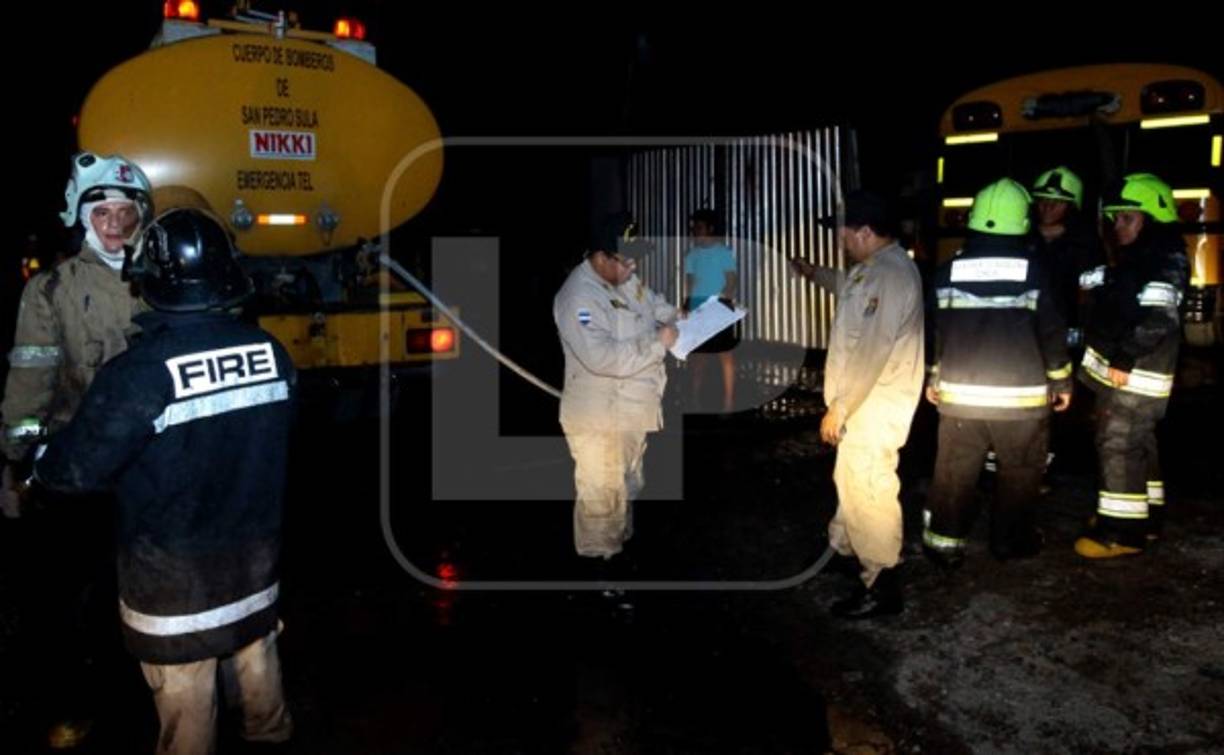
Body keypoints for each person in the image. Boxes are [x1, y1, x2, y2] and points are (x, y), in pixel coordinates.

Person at [32, 208, 297, 754]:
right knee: (262, 691)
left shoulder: (139, 374)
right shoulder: (272, 353)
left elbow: (71, 474)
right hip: (254, 577)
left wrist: (38, 459)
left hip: (177, 596)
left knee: (188, 719)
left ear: (151, 279)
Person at [0, 151, 151, 748]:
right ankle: (73, 705)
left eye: (126, 213)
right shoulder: (52, 289)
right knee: (70, 598)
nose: (114, 225)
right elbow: (30, 379)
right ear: (81, 217)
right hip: (78, 472)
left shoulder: (162, 284)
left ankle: (142, 704)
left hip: (149, 472)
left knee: (141, 594)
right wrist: (17, 461)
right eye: (102, 212)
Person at [923, 178, 1072, 570]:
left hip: (960, 398)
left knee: (954, 472)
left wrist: (933, 377)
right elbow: (1051, 332)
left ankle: (943, 544)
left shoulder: (945, 272)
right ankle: (1010, 542)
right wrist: (1061, 381)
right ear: (1022, 221)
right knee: (1020, 472)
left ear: (974, 218)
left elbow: (936, 332)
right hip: (1020, 402)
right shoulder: (1035, 272)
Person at [789, 189, 924, 619]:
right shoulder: (873, 269)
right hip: (866, 402)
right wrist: (814, 273)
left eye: (843, 233)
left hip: (874, 404)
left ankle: (881, 584)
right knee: (852, 481)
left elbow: (871, 348)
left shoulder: (889, 275)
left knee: (869, 489)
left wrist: (841, 407)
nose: (840, 241)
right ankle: (845, 550)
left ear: (865, 231)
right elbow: (848, 288)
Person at [1074, 173, 1187, 558]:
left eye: (1128, 218)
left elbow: (1159, 317)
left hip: (1137, 372)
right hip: (1134, 371)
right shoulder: (1146, 256)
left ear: (1152, 219)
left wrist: (1125, 356)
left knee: (1118, 442)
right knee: (1139, 443)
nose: (1118, 226)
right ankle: (1145, 517)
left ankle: (1122, 532)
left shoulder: (1163, 260)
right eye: (1115, 218)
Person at [553, 212, 678, 558]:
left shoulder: (621, 278)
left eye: (635, 259)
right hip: (601, 416)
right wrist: (657, 344)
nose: (633, 268)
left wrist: (678, 317)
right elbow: (602, 357)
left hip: (630, 409)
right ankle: (600, 568)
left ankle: (618, 550)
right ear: (600, 257)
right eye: (626, 260)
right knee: (602, 498)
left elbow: (652, 303)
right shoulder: (579, 298)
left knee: (626, 486)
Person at [683, 208, 739, 413]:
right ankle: (694, 401)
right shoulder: (691, 255)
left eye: (699, 228)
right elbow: (690, 284)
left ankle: (729, 403)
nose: (695, 232)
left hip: (719, 308)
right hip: (699, 309)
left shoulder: (723, 252)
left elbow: (731, 281)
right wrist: (688, 307)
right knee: (699, 357)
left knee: (725, 355)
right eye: (693, 229)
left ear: (710, 229)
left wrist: (722, 302)